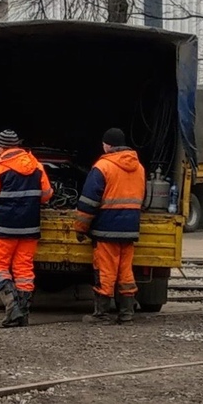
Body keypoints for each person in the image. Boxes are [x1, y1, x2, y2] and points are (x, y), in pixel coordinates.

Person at [0, 129, 50, 328]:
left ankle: (12, 308)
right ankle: (23, 313)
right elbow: (46, 195)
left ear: (1, 147)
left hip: (4, 228)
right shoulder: (36, 166)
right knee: (24, 270)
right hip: (30, 227)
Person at [74, 128, 147, 324]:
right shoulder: (139, 167)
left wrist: (80, 228)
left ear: (107, 145)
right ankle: (127, 313)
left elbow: (88, 202)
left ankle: (102, 314)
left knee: (105, 271)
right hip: (130, 229)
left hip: (106, 229)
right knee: (125, 272)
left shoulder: (103, 167)